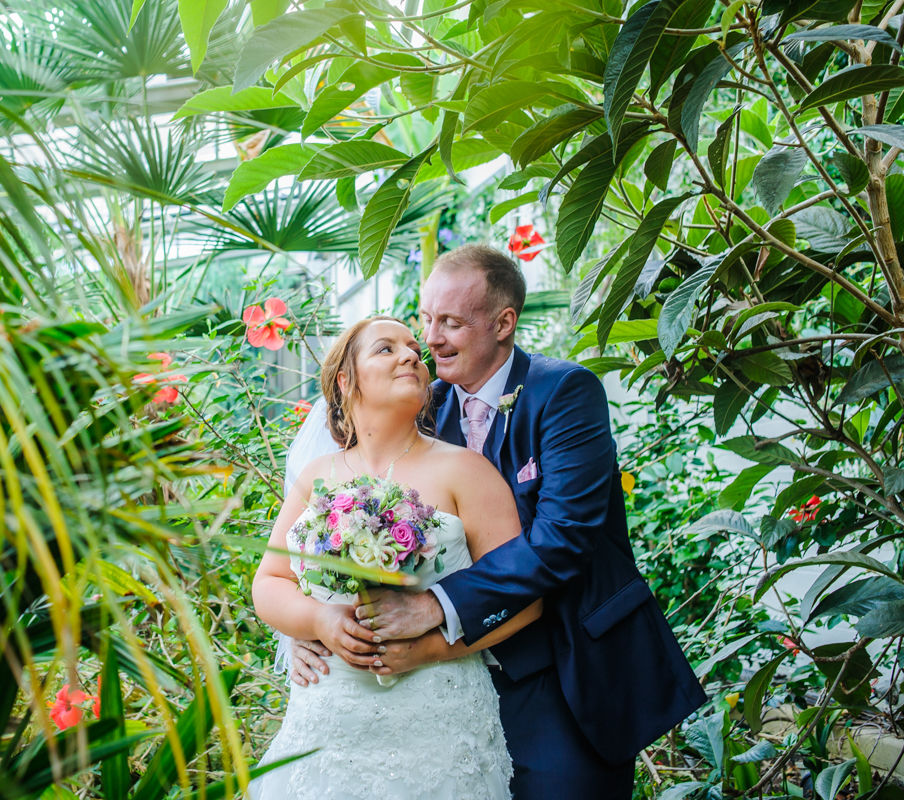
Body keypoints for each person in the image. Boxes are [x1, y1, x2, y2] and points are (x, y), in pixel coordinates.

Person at [291, 245, 707, 799]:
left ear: (504, 323)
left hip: (564, 669)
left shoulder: (564, 393)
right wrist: (313, 623)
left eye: (452, 323)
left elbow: (563, 540)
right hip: (450, 687)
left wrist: (434, 608)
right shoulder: (421, 402)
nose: (431, 340)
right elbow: (343, 511)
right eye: (427, 321)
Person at [250, 315, 543, 800]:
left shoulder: (466, 471)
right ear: (346, 381)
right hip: (328, 723)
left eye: (413, 348)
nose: (411, 355)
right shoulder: (315, 477)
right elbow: (270, 582)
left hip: (439, 724)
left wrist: (431, 649)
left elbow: (526, 601)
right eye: (386, 349)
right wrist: (319, 621)